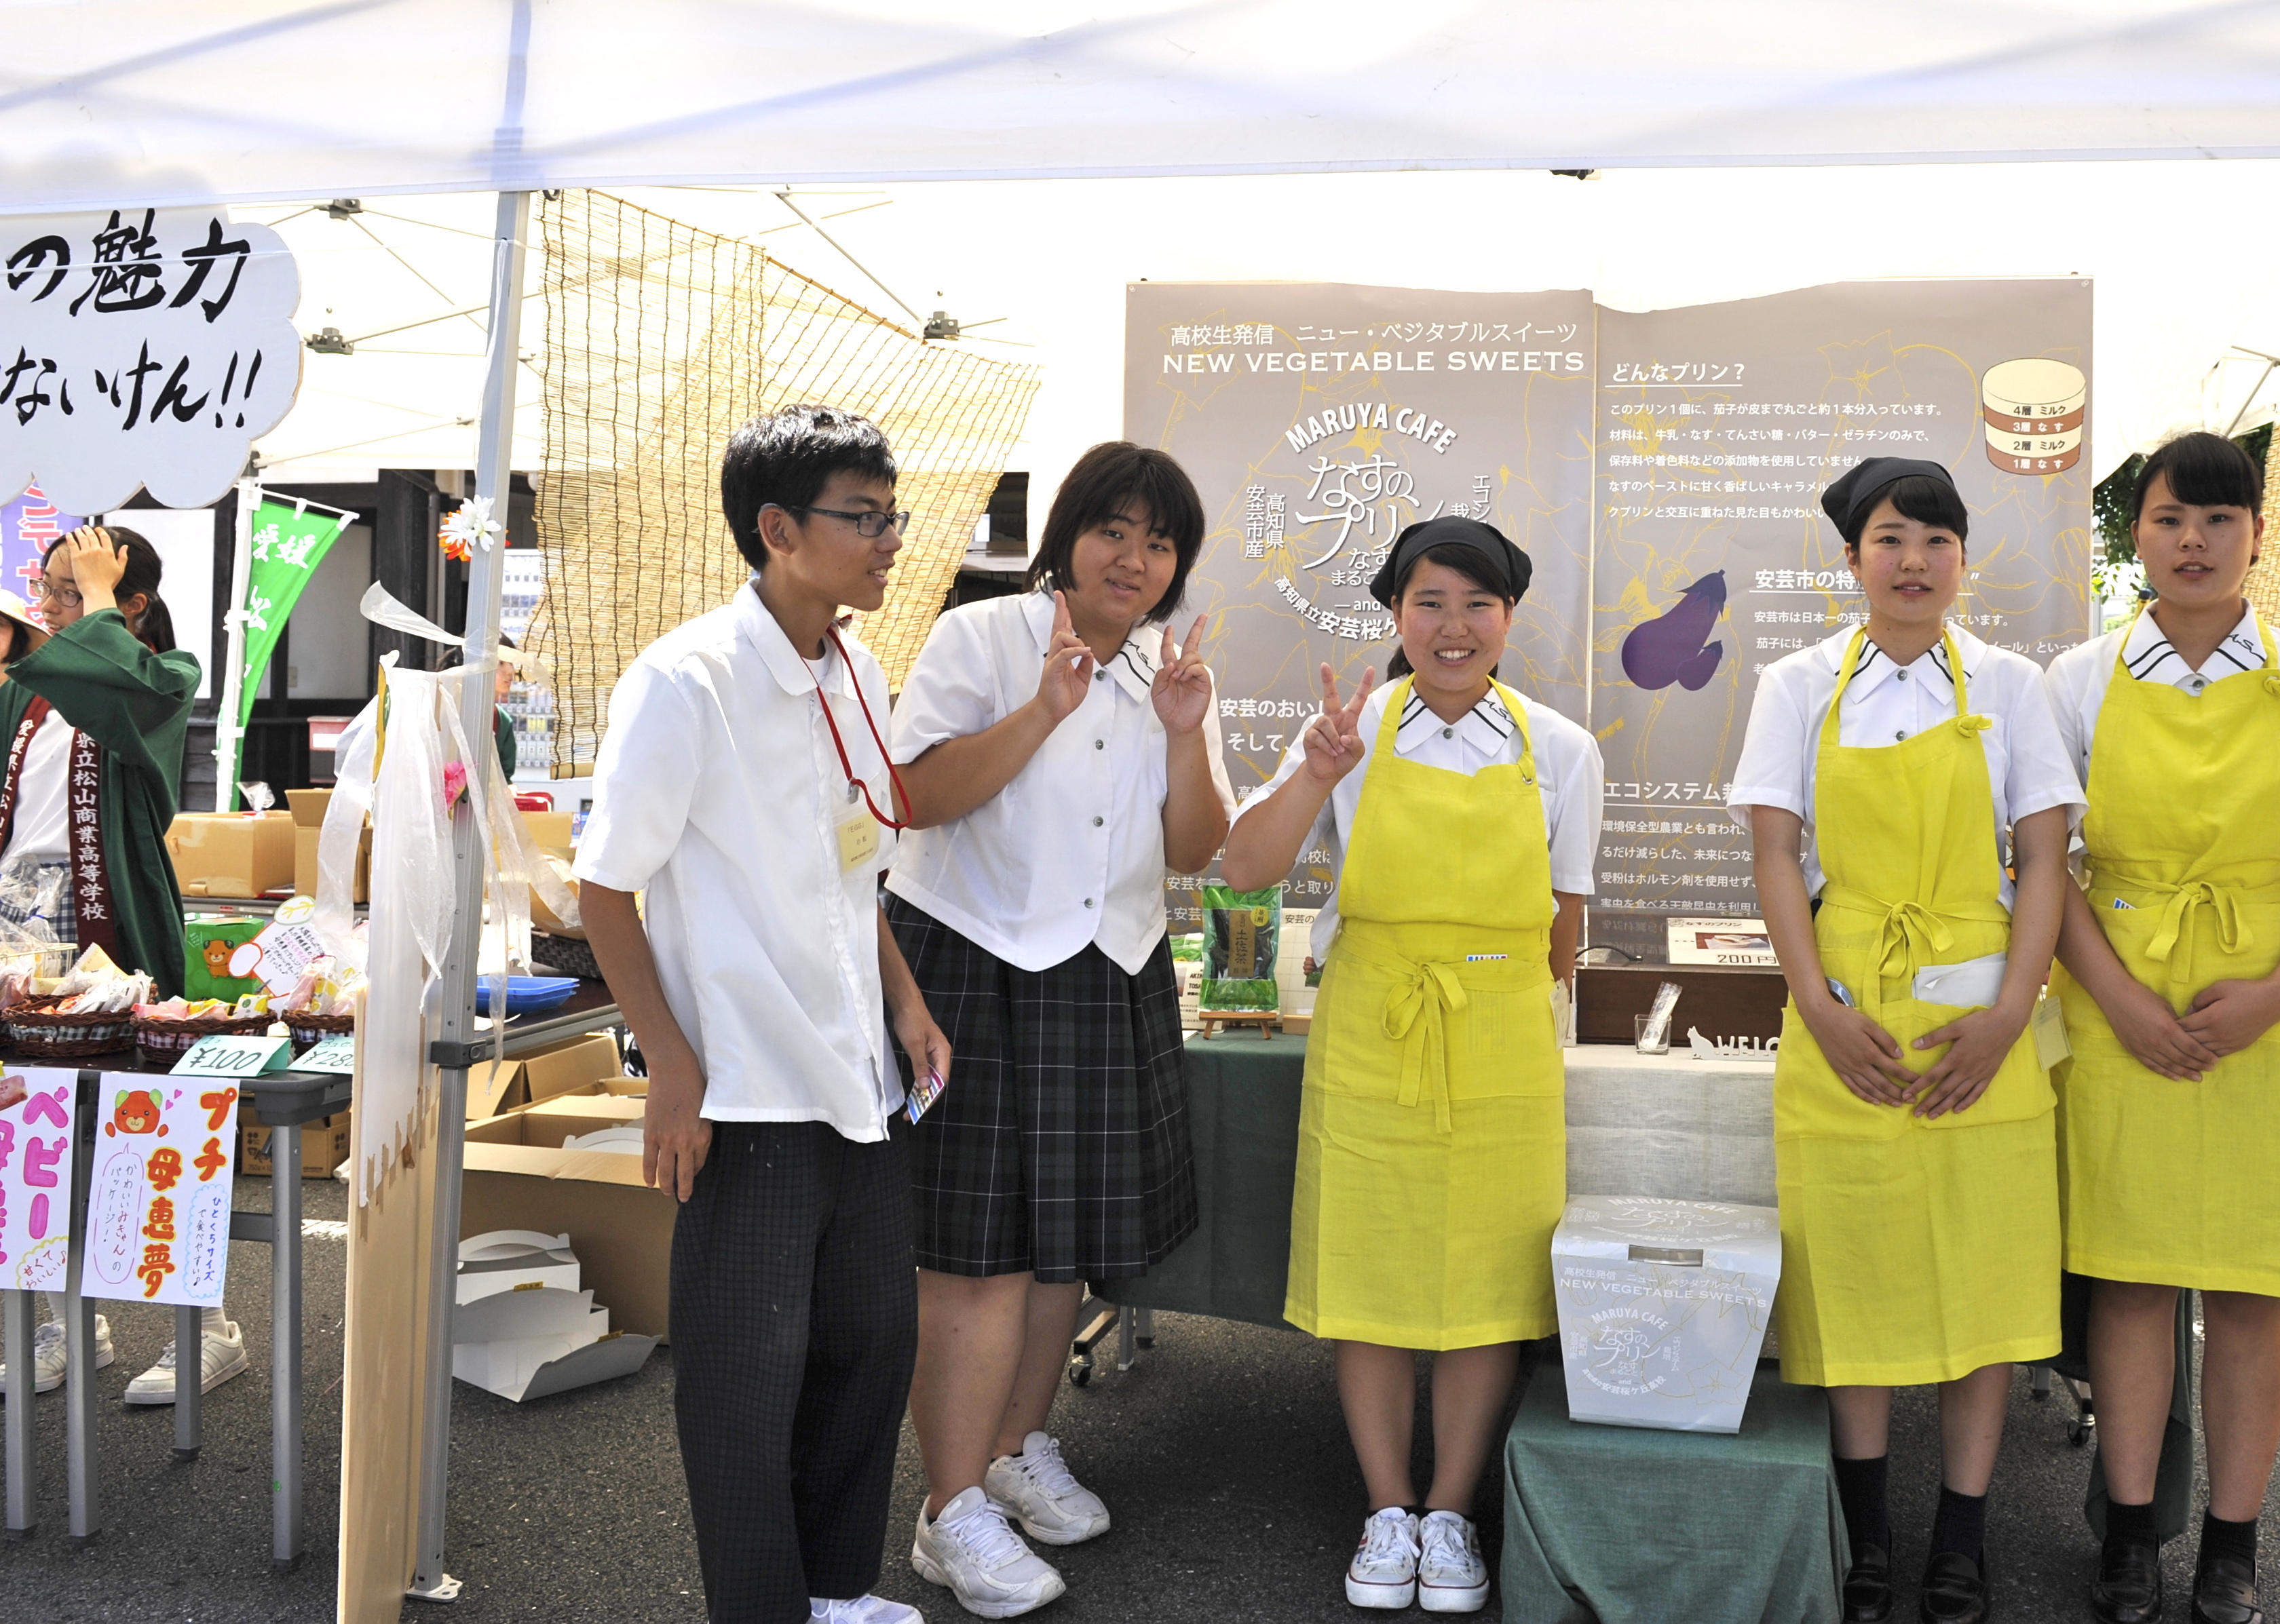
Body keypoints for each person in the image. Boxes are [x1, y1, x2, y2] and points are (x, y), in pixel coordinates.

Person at [577, 404, 952, 1624]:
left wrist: (906, 1004)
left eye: (892, 515)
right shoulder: (686, 680)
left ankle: (836, 1592)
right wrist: (671, 1069)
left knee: (868, 1351)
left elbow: (857, 873)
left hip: (860, 1079)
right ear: (779, 530)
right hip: (745, 1086)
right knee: (746, 1382)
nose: (890, 539)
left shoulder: (856, 668)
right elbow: (604, 889)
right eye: (865, 517)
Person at [2042, 431, 2280, 1624]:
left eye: (2219, 519)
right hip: (2119, 1000)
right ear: (2134, 536)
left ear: (2256, 534)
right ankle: (2130, 1532)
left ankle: (2233, 1545)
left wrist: (2270, 998)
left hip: (2273, 1009)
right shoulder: (2078, 680)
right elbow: (2045, 866)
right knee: (2132, 1279)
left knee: (2253, 1289)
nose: (2193, 541)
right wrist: (2122, 999)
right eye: (2168, 519)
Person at [1223, 516, 1601, 1616]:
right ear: (1396, 613)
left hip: (1500, 1039)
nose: (1453, 626)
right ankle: (1386, 1505)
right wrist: (1314, 774)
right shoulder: (1350, 732)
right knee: (1374, 1276)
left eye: (1478, 604)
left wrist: (1492, 990)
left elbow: (1565, 929)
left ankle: (1450, 1507)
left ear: (1509, 619)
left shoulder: (1560, 749)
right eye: (1430, 602)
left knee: (1488, 1284)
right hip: (1374, 1031)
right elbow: (1245, 865)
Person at [880, 442, 1230, 1618]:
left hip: (1109, 969)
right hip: (972, 960)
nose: (1134, 558)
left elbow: (1196, 849)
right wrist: (1044, 708)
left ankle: (1013, 1448)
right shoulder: (981, 637)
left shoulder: (1170, 670)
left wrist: (1183, 729)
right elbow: (916, 796)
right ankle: (947, 1511)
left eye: (1160, 542)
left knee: (1062, 1247)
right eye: (1113, 530)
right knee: (971, 1257)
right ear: (1067, 534)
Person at [1729, 458, 2078, 1624]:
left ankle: (1962, 1534)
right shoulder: (1796, 685)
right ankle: (1867, 1527)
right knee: (1857, 1271)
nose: (1914, 560)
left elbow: (2043, 858)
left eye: (1936, 539)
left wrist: (2013, 1013)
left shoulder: (2012, 685)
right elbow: (1776, 852)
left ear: (1963, 558)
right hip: (1852, 1014)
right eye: (1890, 539)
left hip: (1982, 1017)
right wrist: (1818, 1007)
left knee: (1986, 1279)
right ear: (1852, 559)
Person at [0, 526, 210, 1401]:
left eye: (71, 589)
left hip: (110, 913)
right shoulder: (28, 689)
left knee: (150, 1119)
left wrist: (95, 599)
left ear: (132, 604)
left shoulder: (167, 675)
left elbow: (121, 692)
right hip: (17, 920)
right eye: (49, 588)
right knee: (28, 1123)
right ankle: (65, 1322)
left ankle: (207, 1329)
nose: (49, 607)